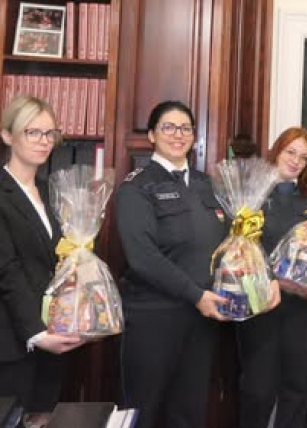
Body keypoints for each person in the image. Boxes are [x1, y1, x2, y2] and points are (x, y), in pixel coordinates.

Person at [114, 100, 232, 428]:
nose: (178, 135)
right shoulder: (136, 186)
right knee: (141, 411)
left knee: (190, 412)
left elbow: (230, 243)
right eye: (168, 127)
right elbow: (142, 257)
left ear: (194, 136)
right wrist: (196, 295)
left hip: (202, 319)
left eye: (185, 128)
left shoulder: (208, 184)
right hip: (154, 317)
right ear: (152, 135)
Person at [0, 95, 83, 412]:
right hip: (6, 344)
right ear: (7, 135)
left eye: (50, 133)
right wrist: (37, 332)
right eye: (33, 132)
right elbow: (4, 269)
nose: (44, 141)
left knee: (45, 419)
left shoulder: (54, 194)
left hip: (53, 339)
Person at [237, 127, 307, 428]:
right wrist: (278, 282)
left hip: (305, 310)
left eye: (303, 157)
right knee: (258, 388)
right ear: (277, 151)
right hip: (261, 305)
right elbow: (241, 253)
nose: (295, 161)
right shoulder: (251, 195)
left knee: (297, 387)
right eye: (290, 152)